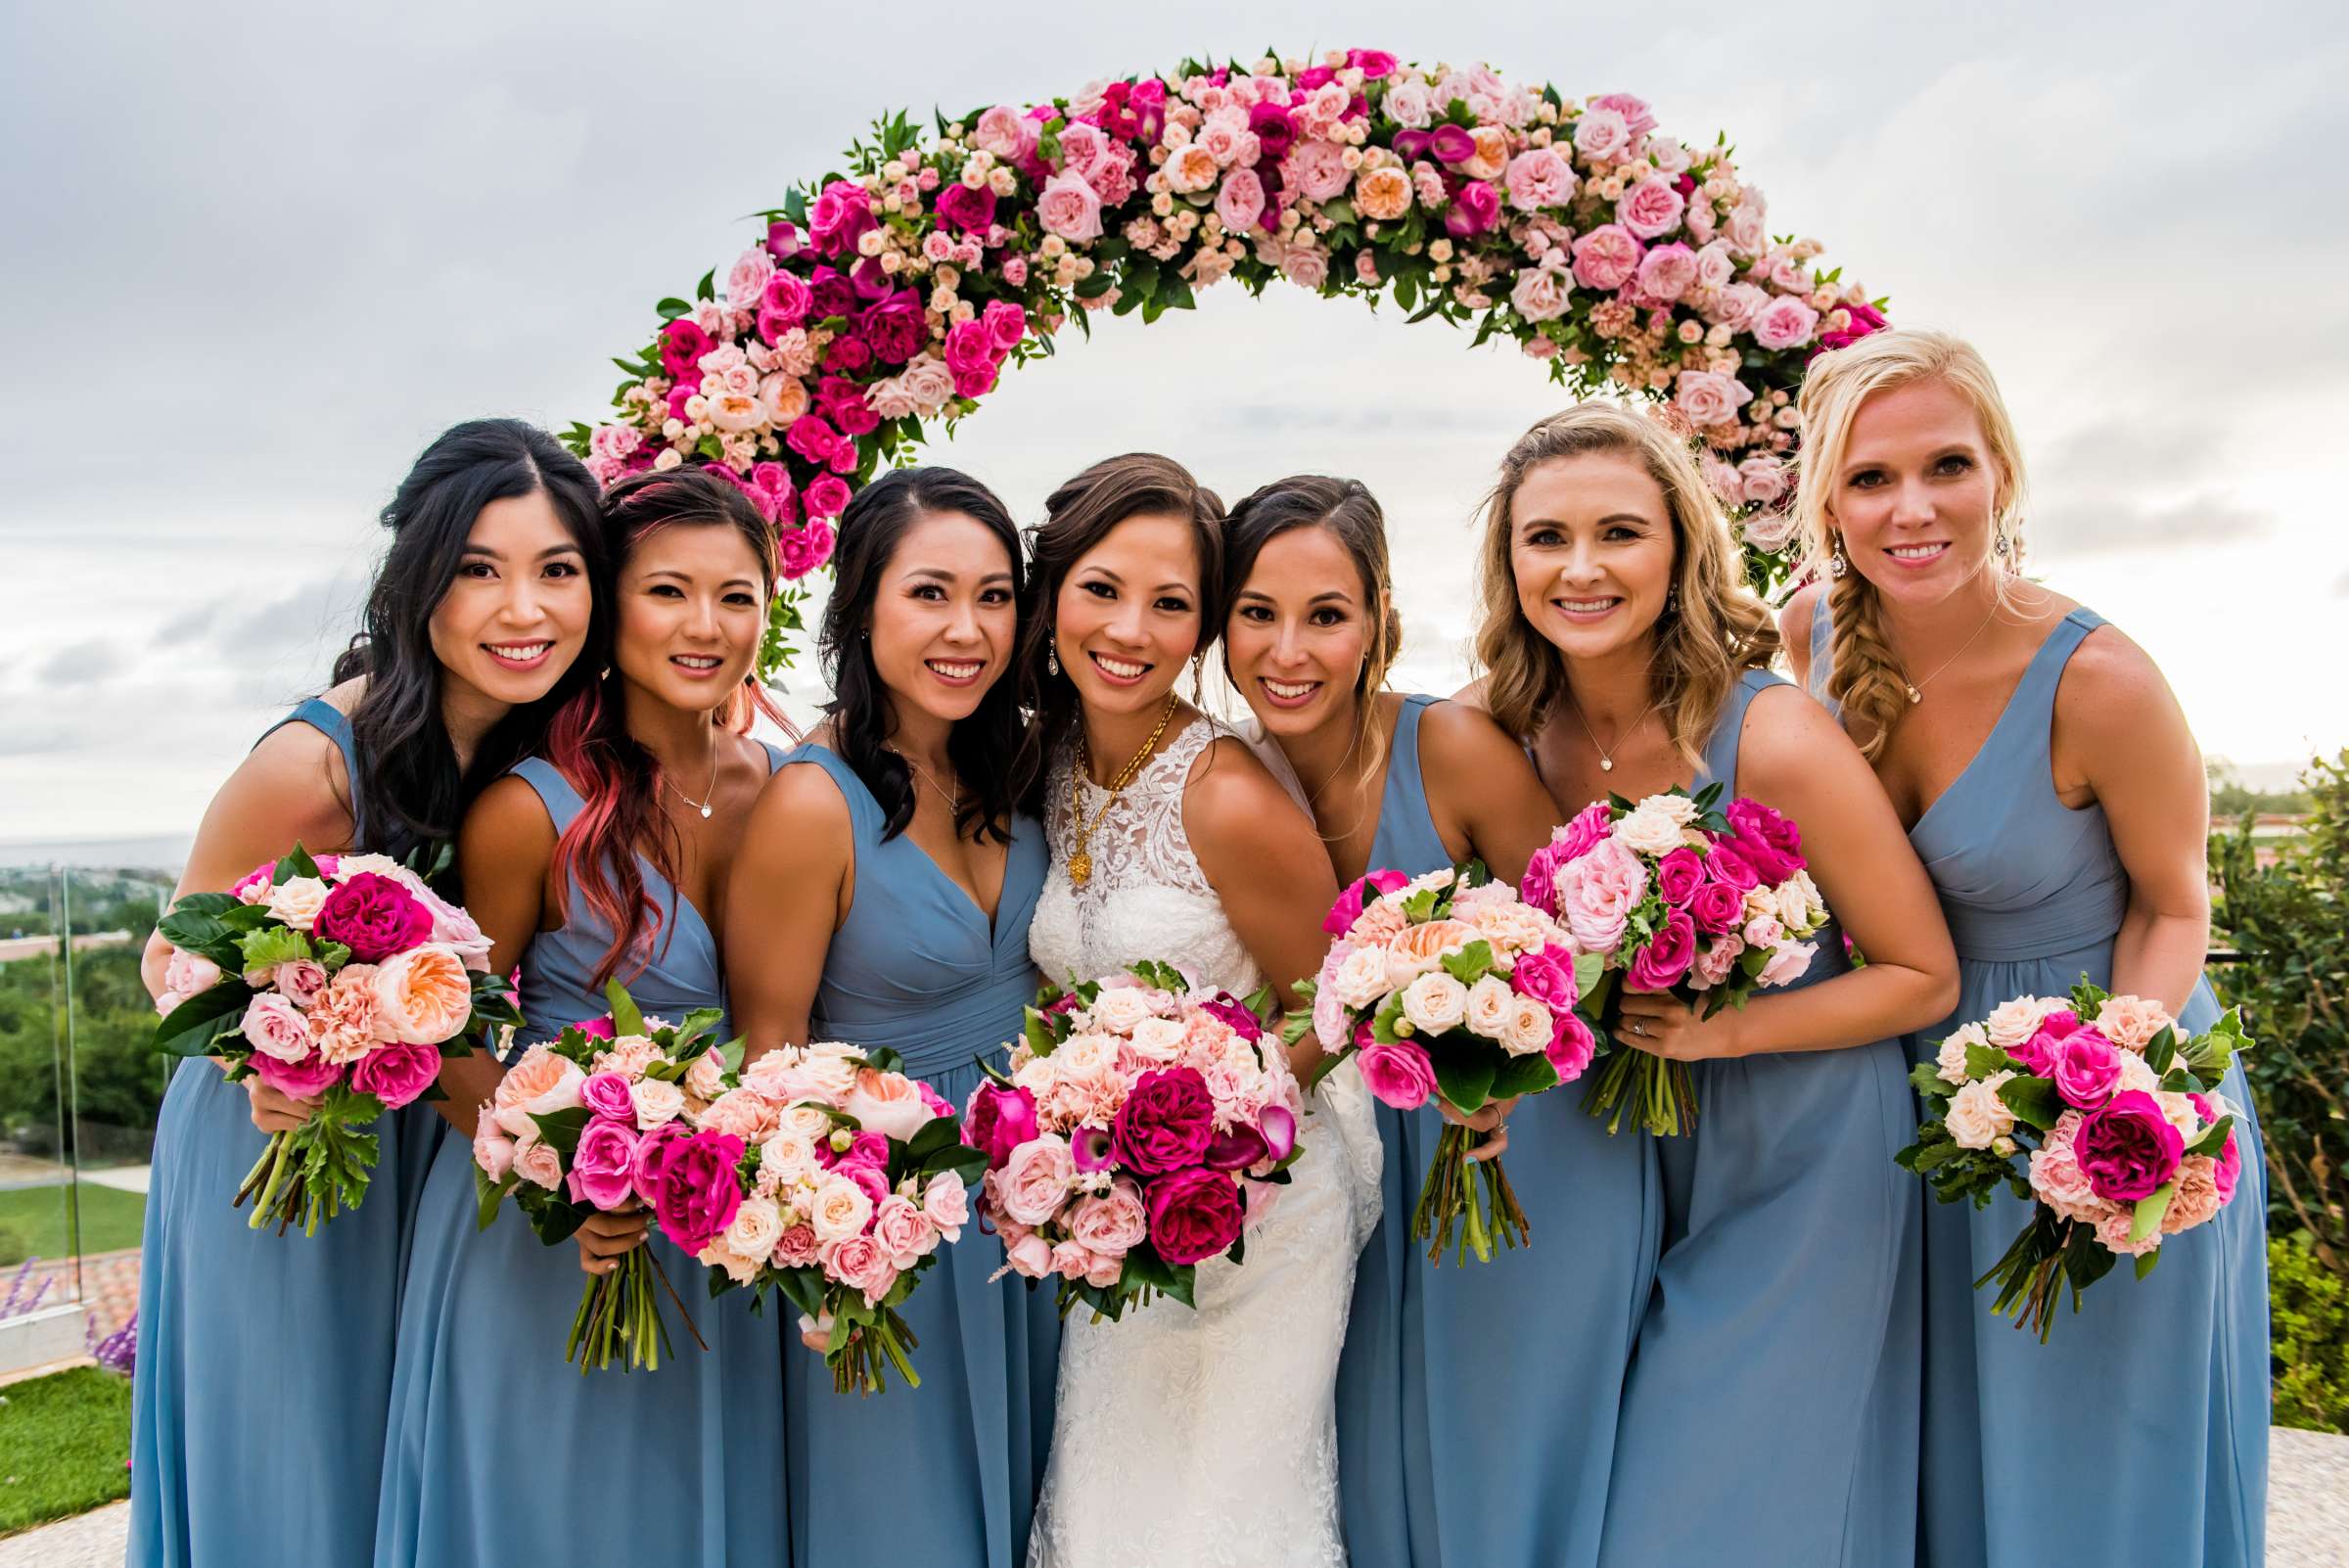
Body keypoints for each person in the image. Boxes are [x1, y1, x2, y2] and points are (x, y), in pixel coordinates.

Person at [1784, 327, 2270, 1568]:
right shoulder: (1816, 640)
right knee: (1929, 1439)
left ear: (2001, 469)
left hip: (2103, 1078)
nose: (1913, 509)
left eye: (1947, 464)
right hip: (1908, 1092)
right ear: (1825, 499)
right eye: (1870, 477)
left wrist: (2108, 1081)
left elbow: (2175, 907)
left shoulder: (2100, 680)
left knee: (2091, 1452)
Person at [1463, 403, 1954, 1568]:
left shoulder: (1771, 734)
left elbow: (1921, 975)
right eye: (1547, 540)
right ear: (1509, 563)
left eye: (1619, 534)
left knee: (1718, 1510)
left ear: (1681, 547)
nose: (1581, 569)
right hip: (1624, 1159)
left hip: (1803, 1153)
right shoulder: (1510, 732)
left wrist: (1719, 1038)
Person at [128, 419, 601, 1568]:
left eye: (558, 570)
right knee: (306, 1475)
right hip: (288, 1151)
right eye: (480, 570)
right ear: (418, 580)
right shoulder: (316, 768)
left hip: (433, 1145)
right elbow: (170, 958)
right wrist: (271, 1061)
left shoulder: (541, 748)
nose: (522, 609)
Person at [374, 469, 789, 1567]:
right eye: (668, 592)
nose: (706, 627)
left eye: (737, 595)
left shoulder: (794, 789)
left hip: (720, 1242)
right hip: (546, 1240)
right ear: (611, 608)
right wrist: (560, 1172)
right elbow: (447, 1030)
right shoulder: (528, 812)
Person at [1015, 452, 1375, 1568]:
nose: (1130, 630)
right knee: (1109, 1498)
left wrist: (1209, 1136)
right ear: (1052, 592)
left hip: (1260, 1217)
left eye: (1171, 604)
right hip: (1116, 1217)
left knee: (1222, 1515)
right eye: (1103, 590)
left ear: (1201, 630)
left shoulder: (1224, 790)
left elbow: (1338, 1004)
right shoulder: (1055, 760)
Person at [1219, 473, 1571, 1568]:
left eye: (1327, 616)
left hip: (1492, 1148)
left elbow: (1572, 955)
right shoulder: (1226, 776)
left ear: (1381, 622)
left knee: (1485, 1461)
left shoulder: (1452, 749)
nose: (1290, 652)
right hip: (1330, 1180)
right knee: (1362, 1475)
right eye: (1258, 614)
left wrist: (1492, 1066)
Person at [725, 467, 1059, 1568]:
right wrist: (834, 1254)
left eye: (996, 596)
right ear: (862, 608)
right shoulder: (812, 804)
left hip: (1044, 1212)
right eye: (931, 594)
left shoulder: (1012, 767)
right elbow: (765, 1056)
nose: (968, 629)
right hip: (895, 1236)